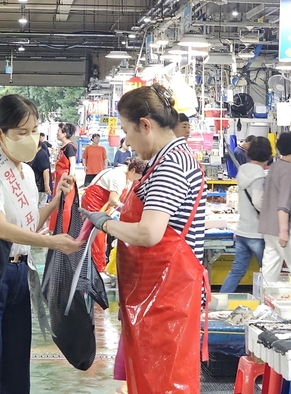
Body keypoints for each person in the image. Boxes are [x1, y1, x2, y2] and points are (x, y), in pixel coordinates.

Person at [80, 84, 207, 394]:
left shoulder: (173, 163)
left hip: (167, 299)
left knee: (165, 383)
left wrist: (105, 223)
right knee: (149, 381)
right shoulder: (161, 162)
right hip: (153, 296)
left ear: (145, 125)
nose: (127, 141)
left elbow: (150, 233)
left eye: (127, 131)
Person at [0, 94, 83, 394]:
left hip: (18, 276)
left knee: (16, 368)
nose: (32, 139)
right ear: (0, 133)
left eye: (35, 131)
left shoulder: (26, 172)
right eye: (22, 133)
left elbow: (28, 224)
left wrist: (56, 200)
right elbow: (1, 229)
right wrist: (51, 242)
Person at [220, 136, 272, 293]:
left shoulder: (242, 170)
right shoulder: (259, 175)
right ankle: (268, 304)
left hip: (242, 231)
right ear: (267, 154)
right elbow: (258, 202)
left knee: (237, 271)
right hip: (256, 233)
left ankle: (220, 302)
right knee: (269, 273)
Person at [259, 131, 291, 281]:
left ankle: (266, 301)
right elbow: (284, 204)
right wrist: (283, 231)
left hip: (268, 227)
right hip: (284, 227)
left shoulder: (275, 167)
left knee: (270, 270)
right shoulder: (288, 170)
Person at [80, 158, 146, 272]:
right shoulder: (118, 176)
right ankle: (97, 270)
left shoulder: (127, 176)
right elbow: (114, 200)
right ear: (133, 170)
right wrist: (124, 211)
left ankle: (98, 266)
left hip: (104, 205)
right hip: (94, 201)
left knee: (101, 238)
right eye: (138, 177)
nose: (138, 180)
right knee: (97, 237)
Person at [49, 122, 77, 233]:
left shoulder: (69, 147)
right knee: (58, 203)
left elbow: (73, 164)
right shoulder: (64, 147)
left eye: (58, 131)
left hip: (65, 178)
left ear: (64, 133)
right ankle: (56, 228)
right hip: (60, 177)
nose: (57, 133)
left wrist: (69, 180)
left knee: (65, 204)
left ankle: (64, 229)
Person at [29, 140, 52, 209]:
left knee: (39, 208)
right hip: (35, 187)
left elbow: (45, 170)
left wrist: (46, 186)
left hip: (40, 188)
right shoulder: (35, 154)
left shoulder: (41, 154)